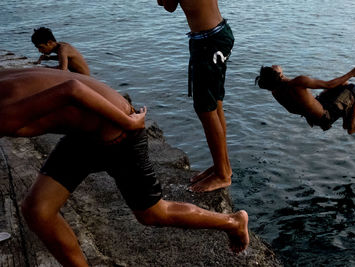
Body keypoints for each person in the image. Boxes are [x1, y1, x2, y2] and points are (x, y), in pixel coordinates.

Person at [0, 68, 249, 266]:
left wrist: (128, 124)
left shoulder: (3, 115)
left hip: (117, 130)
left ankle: (232, 221)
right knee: (37, 210)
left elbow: (71, 88)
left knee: (153, 214)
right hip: (86, 133)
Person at [157, 0, 234, 192]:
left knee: (205, 109)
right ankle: (223, 166)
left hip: (208, 43)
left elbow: (168, 6)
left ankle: (222, 175)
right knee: (215, 104)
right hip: (219, 34)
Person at [255, 65, 355, 134]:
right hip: (326, 115)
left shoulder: (275, 92)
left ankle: (346, 122)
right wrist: (352, 73)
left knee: (343, 84)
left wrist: (281, 76)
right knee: (354, 88)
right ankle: (351, 126)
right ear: (278, 74)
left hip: (314, 115)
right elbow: (328, 85)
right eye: (272, 68)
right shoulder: (298, 82)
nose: (274, 65)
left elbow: (291, 105)